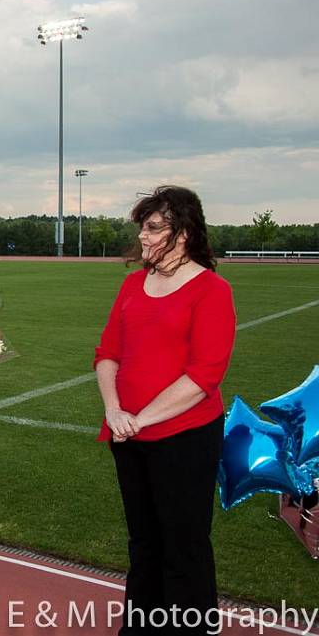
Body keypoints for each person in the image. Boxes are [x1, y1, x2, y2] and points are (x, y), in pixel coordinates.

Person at [94, 186, 235, 636]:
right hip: (128, 438)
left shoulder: (212, 290)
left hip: (185, 439)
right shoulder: (133, 284)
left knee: (185, 547)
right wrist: (115, 410)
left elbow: (203, 376)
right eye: (143, 226)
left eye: (154, 227)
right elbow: (107, 353)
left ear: (184, 233)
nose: (144, 237)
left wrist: (141, 418)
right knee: (145, 545)